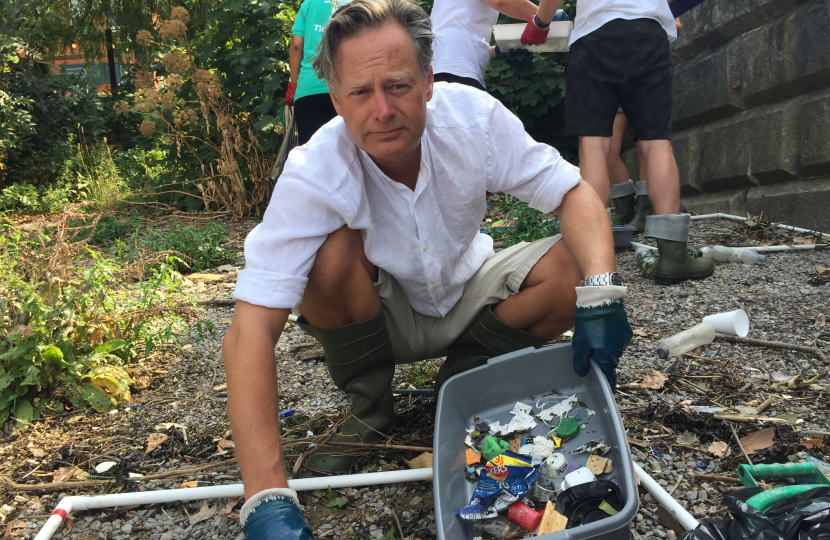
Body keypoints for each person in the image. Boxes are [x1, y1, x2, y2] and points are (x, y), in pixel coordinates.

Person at [223, 1, 632, 537]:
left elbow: (575, 194)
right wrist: (265, 498)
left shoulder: (474, 119)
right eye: (360, 93)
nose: (382, 110)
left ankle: (464, 382)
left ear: (429, 81)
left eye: (397, 85)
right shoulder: (313, 170)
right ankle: (370, 410)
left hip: (470, 287)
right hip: (382, 313)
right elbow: (249, 330)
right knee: (327, 255)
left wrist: (601, 295)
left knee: (575, 262)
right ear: (337, 102)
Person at [564, 1, 713, 285]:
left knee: (594, 146)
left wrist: (540, 24)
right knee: (655, 143)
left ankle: (590, 257)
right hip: (647, 33)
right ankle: (673, 256)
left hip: (593, 36)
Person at [430, 0, 566, 91]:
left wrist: (497, 51)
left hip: (447, 65)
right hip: (454, 69)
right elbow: (501, 1)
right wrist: (545, 16)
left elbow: (461, 30)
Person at [286, 0, 351, 145]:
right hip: (345, 88)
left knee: (311, 152)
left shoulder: (309, 4)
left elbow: (296, 46)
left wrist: (293, 84)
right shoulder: (355, 4)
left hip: (309, 89)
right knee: (349, 151)